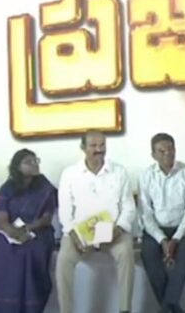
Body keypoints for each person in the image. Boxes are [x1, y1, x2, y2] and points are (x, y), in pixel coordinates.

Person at [56, 130, 136, 313]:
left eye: (102, 145)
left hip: (113, 231)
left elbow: (129, 207)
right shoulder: (70, 174)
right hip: (80, 233)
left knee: (126, 252)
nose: (99, 149)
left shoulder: (119, 172)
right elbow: (65, 211)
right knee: (63, 260)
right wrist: (74, 236)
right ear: (83, 148)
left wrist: (117, 230)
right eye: (93, 145)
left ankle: (125, 309)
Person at [0, 149, 58, 313]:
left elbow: (46, 219)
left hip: (39, 231)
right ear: (17, 166)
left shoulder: (45, 187)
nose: (34, 164)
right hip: (11, 232)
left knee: (28, 253)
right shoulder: (7, 188)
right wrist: (13, 232)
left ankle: (30, 307)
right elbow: (2, 219)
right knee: (1, 252)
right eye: (28, 162)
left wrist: (28, 229)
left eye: (36, 160)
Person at [138, 133, 185, 313]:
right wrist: (162, 240)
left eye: (170, 149)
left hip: (184, 229)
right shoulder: (146, 176)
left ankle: (166, 308)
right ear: (153, 155)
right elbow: (146, 213)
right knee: (148, 255)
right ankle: (173, 307)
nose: (167, 154)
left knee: (184, 257)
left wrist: (176, 239)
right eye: (162, 151)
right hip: (155, 230)